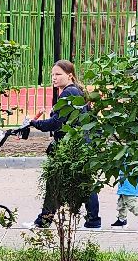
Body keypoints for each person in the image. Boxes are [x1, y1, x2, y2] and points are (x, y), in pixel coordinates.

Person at [29, 59, 100, 229]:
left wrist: (34, 123)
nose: (54, 78)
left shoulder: (69, 93)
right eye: (52, 75)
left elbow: (57, 123)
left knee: (55, 180)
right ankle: (93, 220)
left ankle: (45, 220)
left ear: (70, 76)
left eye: (58, 74)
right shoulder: (76, 92)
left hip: (71, 147)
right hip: (80, 145)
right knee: (84, 182)